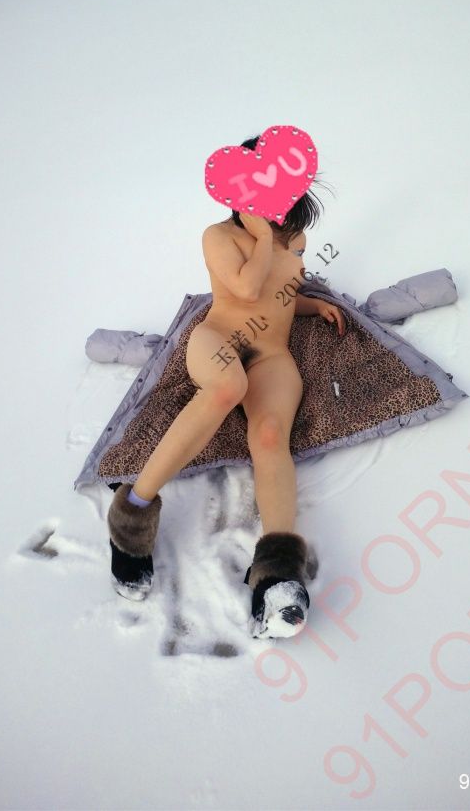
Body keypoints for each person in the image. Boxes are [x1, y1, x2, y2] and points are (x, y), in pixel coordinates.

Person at [107, 134, 343, 638]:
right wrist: (258, 234)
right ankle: (131, 520)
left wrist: (310, 305)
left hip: (271, 353)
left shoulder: (293, 235)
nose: (278, 210)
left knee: (270, 435)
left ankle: (277, 573)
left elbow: (280, 292)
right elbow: (248, 288)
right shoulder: (219, 236)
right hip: (218, 340)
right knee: (224, 388)